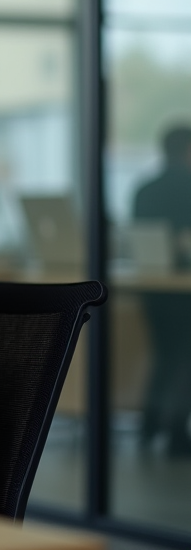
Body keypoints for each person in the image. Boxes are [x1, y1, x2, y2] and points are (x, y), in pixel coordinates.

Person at [133, 124, 191, 456]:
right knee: (184, 358)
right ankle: (175, 432)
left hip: (151, 287)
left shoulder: (145, 189)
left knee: (164, 355)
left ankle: (149, 425)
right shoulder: (187, 185)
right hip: (182, 289)